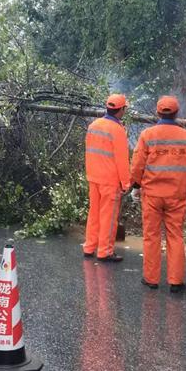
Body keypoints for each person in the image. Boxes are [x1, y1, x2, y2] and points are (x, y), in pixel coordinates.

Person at [131, 96, 186, 291]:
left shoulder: (147, 135)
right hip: (177, 195)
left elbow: (137, 164)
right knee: (175, 236)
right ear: (177, 113)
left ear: (157, 112)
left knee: (151, 236)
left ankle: (151, 279)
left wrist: (136, 186)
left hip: (152, 195)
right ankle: (176, 282)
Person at [84, 94, 131, 262]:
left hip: (93, 177)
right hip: (109, 181)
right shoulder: (117, 130)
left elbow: (89, 151)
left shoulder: (93, 125)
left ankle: (89, 247)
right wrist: (126, 183)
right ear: (121, 109)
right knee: (108, 218)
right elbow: (122, 160)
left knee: (94, 214)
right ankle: (105, 251)